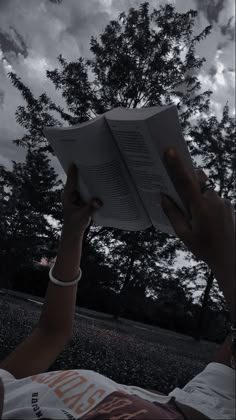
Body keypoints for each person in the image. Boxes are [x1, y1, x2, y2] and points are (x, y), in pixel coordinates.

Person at [0, 147, 235, 420]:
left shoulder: (8, 392)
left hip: (199, 396)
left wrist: (73, 230)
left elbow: (50, 333)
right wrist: (229, 265)